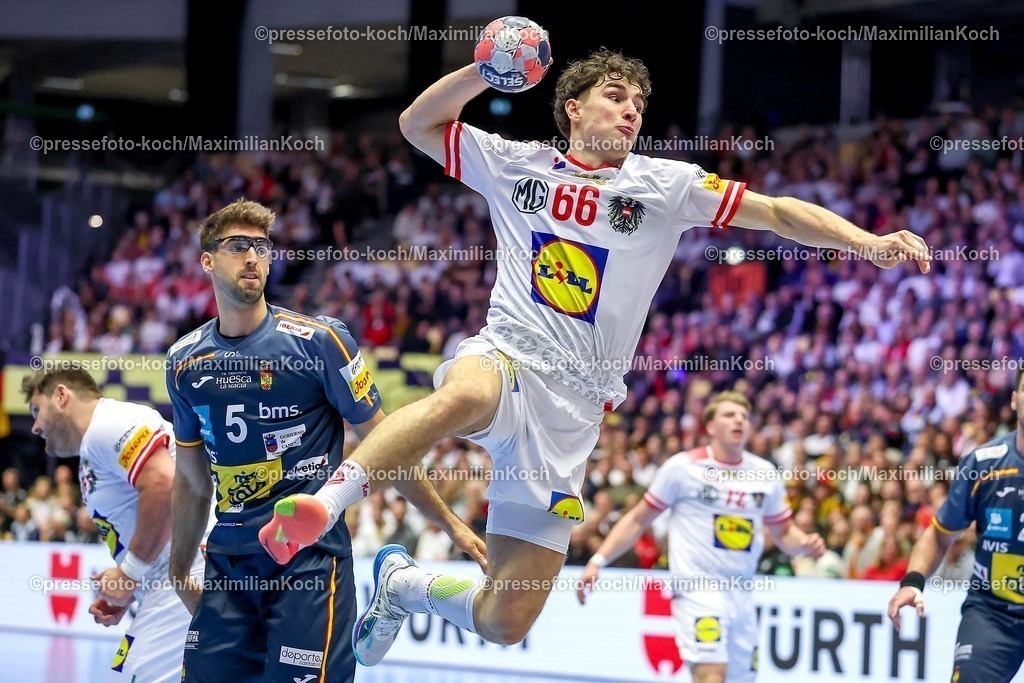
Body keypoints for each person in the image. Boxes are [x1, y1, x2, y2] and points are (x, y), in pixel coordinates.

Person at [259, 48, 931, 666]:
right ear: (573, 109)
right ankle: (323, 503)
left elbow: (779, 211)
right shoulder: (517, 163)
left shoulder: (665, 186)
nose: (632, 108)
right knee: (465, 396)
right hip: (509, 352)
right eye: (616, 95)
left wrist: (866, 241)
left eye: (639, 102)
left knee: (505, 618)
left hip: (575, 412)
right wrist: (481, 71)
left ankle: (405, 585)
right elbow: (417, 124)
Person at [167, 199, 482, 682]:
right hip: (228, 565)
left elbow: (387, 442)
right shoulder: (184, 361)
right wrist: (178, 565)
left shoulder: (317, 342)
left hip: (307, 565)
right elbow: (191, 482)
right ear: (207, 260)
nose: (253, 257)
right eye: (237, 246)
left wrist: (449, 523)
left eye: (262, 247)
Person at [577, 392, 824, 683]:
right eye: (730, 415)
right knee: (711, 676)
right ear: (709, 427)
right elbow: (636, 519)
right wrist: (598, 560)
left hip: (742, 593)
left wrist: (805, 544)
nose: (739, 420)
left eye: (744, 416)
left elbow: (784, 533)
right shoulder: (683, 468)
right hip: (698, 589)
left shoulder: (764, 474)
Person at [23, 368, 204, 683]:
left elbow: (163, 483)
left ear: (61, 396)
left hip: (184, 570)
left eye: (37, 410)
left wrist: (129, 573)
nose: (36, 426)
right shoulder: (93, 451)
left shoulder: (107, 424)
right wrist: (128, 587)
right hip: (169, 577)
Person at [888, 368, 1024, 683]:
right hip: (993, 613)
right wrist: (912, 582)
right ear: (1015, 401)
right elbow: (939, 535)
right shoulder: (983, 463)